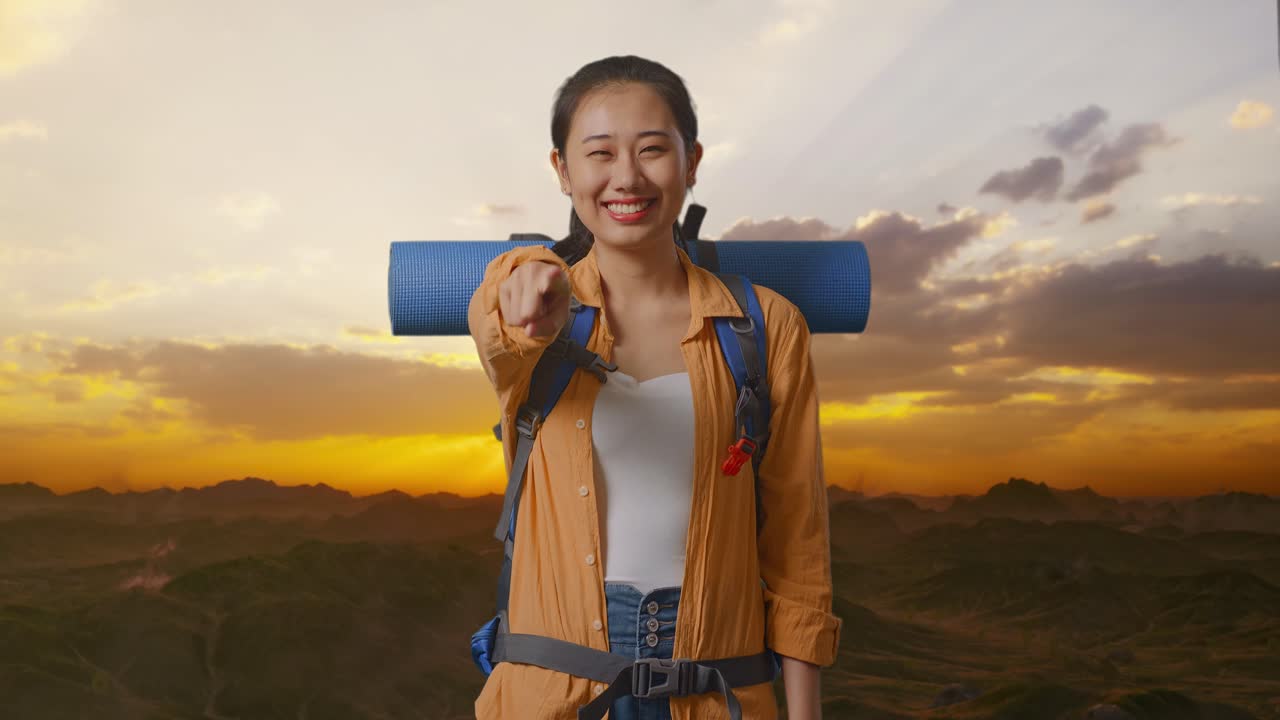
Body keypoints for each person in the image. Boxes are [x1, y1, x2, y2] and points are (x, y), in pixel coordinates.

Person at [468, 55, 841, 720]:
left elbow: (797, 544)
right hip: (551, 693)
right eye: (600, 154)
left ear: (691, 161)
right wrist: (522, 275)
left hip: (717, 691)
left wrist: (805, 713)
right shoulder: (533, 316)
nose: (627, 178)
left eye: (651, 150)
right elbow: (495, 322)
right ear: (563, 171)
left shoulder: (766, 328)